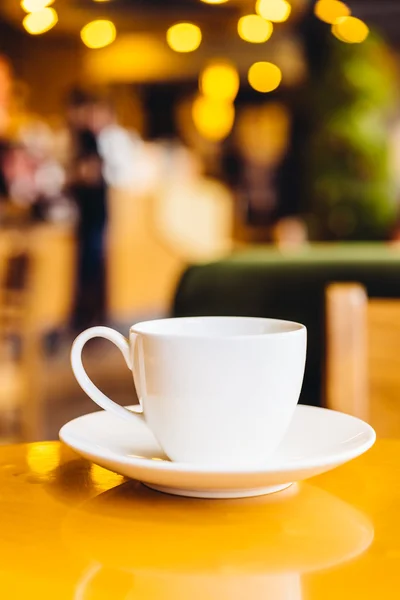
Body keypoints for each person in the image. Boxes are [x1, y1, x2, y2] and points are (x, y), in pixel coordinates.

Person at [69, 128, 108, 331]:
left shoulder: (92, 180)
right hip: (91, 228)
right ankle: (88, 318)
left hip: (94, 228)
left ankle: (90, 319)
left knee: (92, 274)